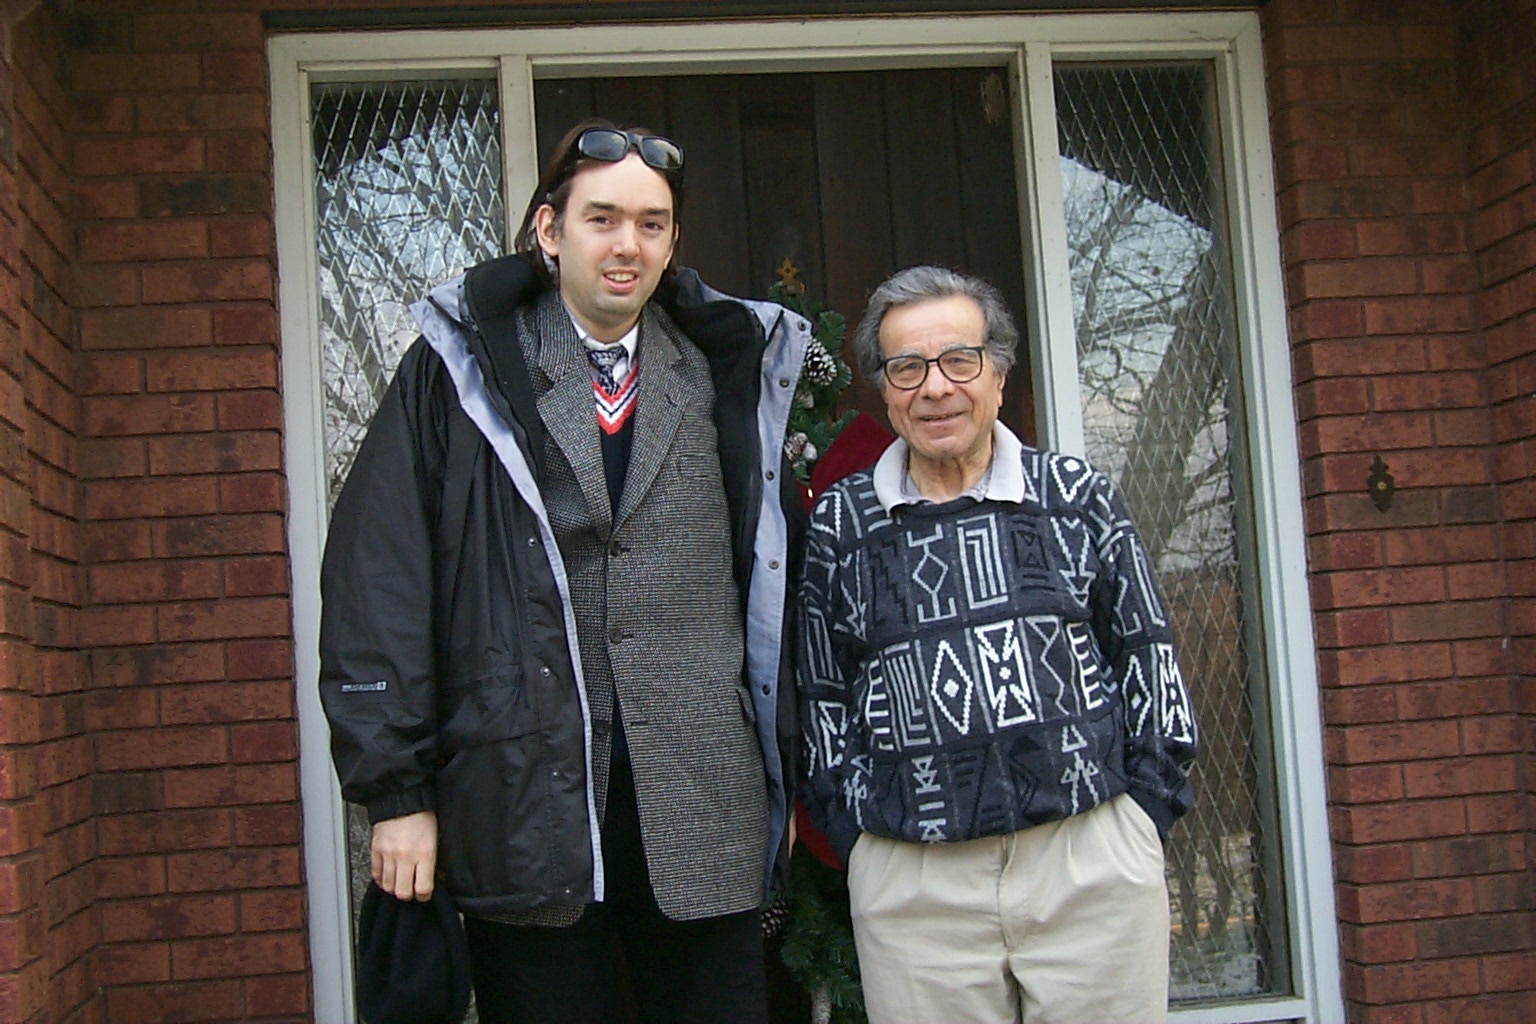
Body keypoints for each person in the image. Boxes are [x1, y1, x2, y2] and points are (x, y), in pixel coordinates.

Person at [320, 118, 810, 1024]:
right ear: (549, 230)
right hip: (525, 803)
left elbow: (780, 583)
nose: (628, 244)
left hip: (705, 801)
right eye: (603, 218)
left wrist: (782, 772)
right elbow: (379, 578)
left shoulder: (726, 369)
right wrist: (397, 793)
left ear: (673, 242)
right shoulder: (464, 370)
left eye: (652, 224)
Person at [797, 265, 1198, 1024]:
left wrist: (1142, 818)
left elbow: (1147, 656)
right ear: (884, 389)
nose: (935, 388)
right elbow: (821, 691)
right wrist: (861, 845)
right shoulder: (841, 523)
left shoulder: (1075, 497)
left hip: (1088, 863)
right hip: (915, 885)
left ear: (999, 375)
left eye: (960, 360)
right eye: (907, 367)